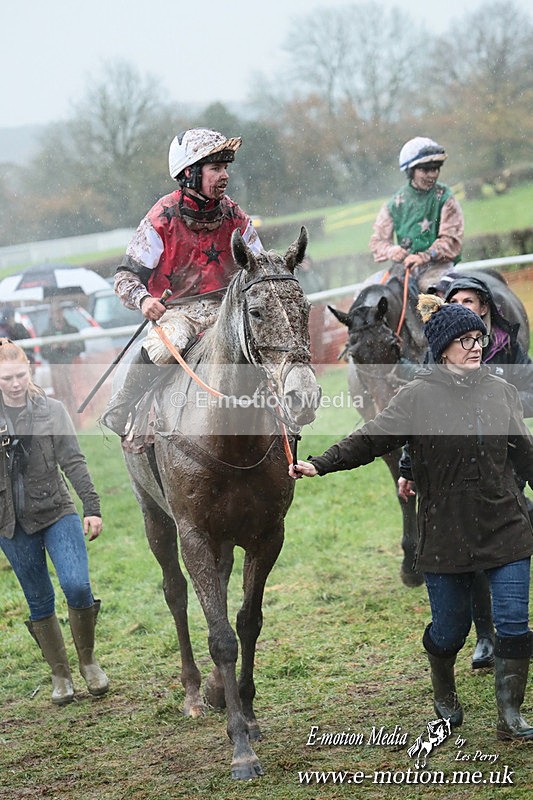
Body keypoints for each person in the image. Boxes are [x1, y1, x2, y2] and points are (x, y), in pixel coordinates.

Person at [289, 296, 533, 741]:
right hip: (445, 532)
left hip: (506, 526)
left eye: (478, 338)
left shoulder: (502, 392)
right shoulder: (415, 398)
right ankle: (444, 692)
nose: (476, 347)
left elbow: (526, 457)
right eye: (465, 341)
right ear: (442, 349)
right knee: (449, 631)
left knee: (515, 623)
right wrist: (319, 463)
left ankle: (510, 716)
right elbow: (368, 439)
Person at [399, 274, 533, 669]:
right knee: (472, 545)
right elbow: (414, 420)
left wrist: (494, 395)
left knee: (506, 540)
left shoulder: (507, 345)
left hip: (503, 459)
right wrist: (408, 465)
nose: (463, 305)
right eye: (455, 299)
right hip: (455, 473)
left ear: (486, 306)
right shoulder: (440, 350)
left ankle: (511, 632)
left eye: (471, 300)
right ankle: (486, 636)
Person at [101, 127, 263, 435]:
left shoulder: (235, 215)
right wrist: (144, 300)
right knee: (166, 347)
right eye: (215, 168)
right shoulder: (161, 217)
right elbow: (125, 277)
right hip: (177, 314)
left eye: (225, 168)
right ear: (189, 173)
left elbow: (259, 266)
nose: (224, 175)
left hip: (225, 311)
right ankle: (123, 404)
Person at [0, 339, 108, 706]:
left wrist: (91, 506)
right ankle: (60, 674)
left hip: (57, 511)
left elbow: (74, 461)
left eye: (19, 375)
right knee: (38, 600)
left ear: (29, 369)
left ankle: (88, 662)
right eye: (6, 378)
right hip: (10, 524)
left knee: (77, 585)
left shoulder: (51, 410)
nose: (14, 384)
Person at [369, 137, 464, 292]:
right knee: (368, 292)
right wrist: (392, 251)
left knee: (430, 292)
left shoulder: (446, 197)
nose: (432, 175)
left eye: (436, 169)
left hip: (438, 268)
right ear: (411, 171)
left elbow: (450, 240)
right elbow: (377, 242)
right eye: (425, 170)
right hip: (405, 268)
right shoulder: (394, 203)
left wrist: (423, 257)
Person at [41, 302, 85, 419]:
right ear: (51, 314)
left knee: (73, 395)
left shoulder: (72, 329)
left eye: (59, 312)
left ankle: (76, 420)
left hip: (72, 368)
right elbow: (43, 353)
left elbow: (81, 347)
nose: (57, 315)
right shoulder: (46, 333)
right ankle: (63, 420)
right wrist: (53, 347)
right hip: (56, 370)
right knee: (60, 395)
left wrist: (67, 346)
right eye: (54, 312)